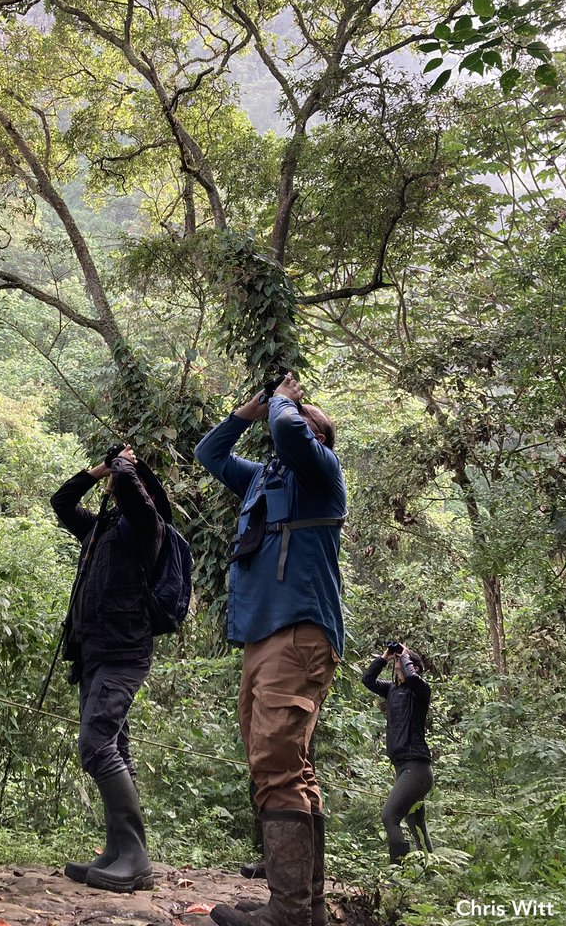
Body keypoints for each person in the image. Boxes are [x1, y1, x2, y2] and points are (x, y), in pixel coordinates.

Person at [195, 373, 346, 926]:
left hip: (300, 631)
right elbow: (208, 452)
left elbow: (288, 432)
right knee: (285, 766)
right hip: (263, 636)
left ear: (314, 441)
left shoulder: (323, 475)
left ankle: (288, 913)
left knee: (277, 765)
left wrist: (285, 403)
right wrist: (246, 411)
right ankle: (306, 910)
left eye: (299, 429)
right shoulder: (264, 481)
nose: (283, 434)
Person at [49, 443, 169, 894]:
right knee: (115, 743)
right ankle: (117, 852)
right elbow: (61, 502)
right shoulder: (101, 528)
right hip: (93, 652)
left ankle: (135, 858)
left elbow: (140, 499)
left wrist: (127, 465)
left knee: (96, 744)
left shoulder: (147, 525)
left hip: (124, 651)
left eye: (122, 481)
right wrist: (98, 470)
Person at [361, 643, 434, 862]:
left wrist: (405, 655)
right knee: (416, 823)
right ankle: (430, 873)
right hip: (403, 767)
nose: (398, 663)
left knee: (389, 817)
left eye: (401, 661)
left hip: (417, 769)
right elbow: (368, 680)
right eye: (397, 661)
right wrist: (385, 657)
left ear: (414, 666)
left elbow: (412, 679)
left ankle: (398, 874)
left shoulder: (420, 690)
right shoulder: (392, 689)